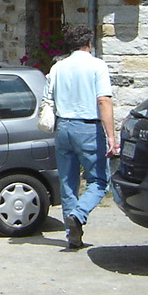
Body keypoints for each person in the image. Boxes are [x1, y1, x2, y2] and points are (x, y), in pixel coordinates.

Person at [45, 24, 116, 249]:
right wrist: (111, 136)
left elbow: (48, 97)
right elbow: (103, 100)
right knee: (99, 180)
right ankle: (78, 214)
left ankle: (72, 235)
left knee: (68, 182)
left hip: (63, 126)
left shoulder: (58, 67)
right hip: (88, 127)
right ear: (88, 43)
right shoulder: (97, 65)